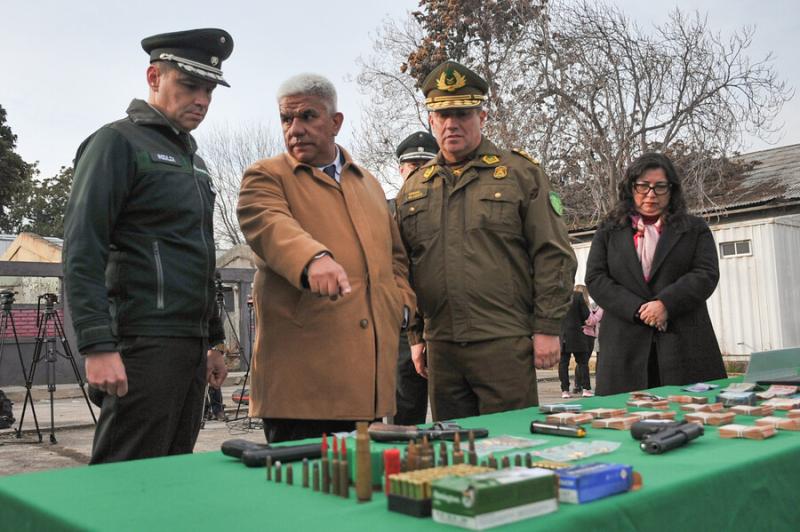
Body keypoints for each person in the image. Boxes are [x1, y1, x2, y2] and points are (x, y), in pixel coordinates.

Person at [62, 28, 233, 463]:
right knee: (125, 478)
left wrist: (213, 341)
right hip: (142, 344)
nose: (202, 100)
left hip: (190, 348)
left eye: (209, 90)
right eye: (190, 85)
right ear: (154, 77)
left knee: (172, 475)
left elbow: (202, 258)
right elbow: (83, 250)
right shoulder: (117, 143)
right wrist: (97, 346)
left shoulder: (196, 163)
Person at [237, 74, 416, 443]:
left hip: (368, 386)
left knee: (360, 490)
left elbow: (395, 259)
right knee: (303, 492)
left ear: (336, 122)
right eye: (287, 119)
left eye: (307, 116)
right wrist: (312, 259)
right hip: (301, 392)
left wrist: (401, 306)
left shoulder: (368, 183)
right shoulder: (266, 177)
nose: (295, 129)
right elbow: (269, 225)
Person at [395, 60, 577, 421]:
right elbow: (405, 269)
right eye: (442, 114)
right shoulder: (413, 190)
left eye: (462, 113)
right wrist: (416, 336)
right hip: (442, 348)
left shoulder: (520, 174)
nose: (452, 124)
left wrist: (547, 328)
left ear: (483, 116)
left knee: (511, 449)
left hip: (504, 342)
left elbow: (553, 254)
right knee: (455, 451)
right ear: (430, 120)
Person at [585, 152, 727, 395]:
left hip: (683, 343)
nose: (651, 194)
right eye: (643, 186)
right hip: (624, 347)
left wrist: (665, 304)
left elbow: (705, 274)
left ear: (672, 190)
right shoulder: (609, 230)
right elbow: (596, 278)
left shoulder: (694, 229)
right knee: (625, 420)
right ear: (631, 188)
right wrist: (639, 309)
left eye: (660, 187)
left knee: (690, 417)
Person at [392, 131, 438, 425]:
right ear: (401, 169)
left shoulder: (450, 209)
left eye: (427, 164)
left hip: (442, 320)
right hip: (402, 326)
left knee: (454, 415)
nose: (420, 171)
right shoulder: (386, 211)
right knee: (404, 413)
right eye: (414, 165)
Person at [559, 285, 594, 398]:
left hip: (562, 335)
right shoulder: (577, 296)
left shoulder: (556, 296)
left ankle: (565, 390)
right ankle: (586, 389)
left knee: (563, 363)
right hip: (577, 334)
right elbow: (586, 315)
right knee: (583, 363)